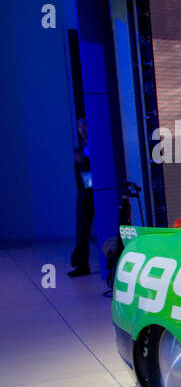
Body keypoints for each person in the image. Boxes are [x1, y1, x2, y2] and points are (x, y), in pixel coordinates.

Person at [69, 118, 93, 277]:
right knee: (82, 226)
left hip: (100, 190)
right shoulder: (80, 149)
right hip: (85, 192)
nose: (82, 129)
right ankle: (81, 263)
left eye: (85, 125)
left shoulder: (97, 144)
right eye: (80, 126)